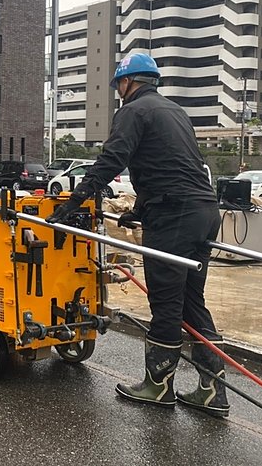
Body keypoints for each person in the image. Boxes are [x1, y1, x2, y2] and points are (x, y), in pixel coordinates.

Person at [46, 53, 229, 418]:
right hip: (203, 211)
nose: (119, 92)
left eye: (118, 85)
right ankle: (212, 392)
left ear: (127, 83)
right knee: (193, 300)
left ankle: (158, 386)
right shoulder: (174, 111)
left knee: (166, 301)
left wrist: (73, 202)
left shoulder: (133, 111)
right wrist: (140, 210)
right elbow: (169, 164)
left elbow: (112, 160)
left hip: (174, 216)